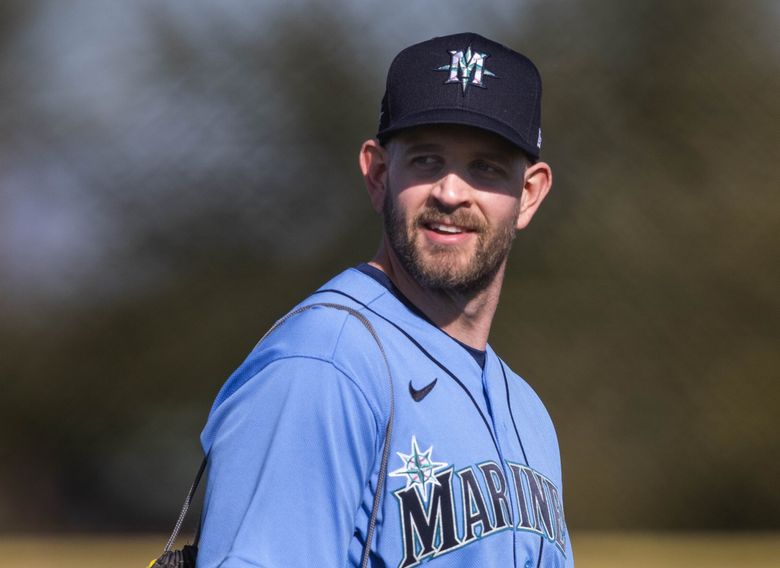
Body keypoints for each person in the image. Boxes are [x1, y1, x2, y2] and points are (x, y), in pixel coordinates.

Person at [196, 32, 573, 568]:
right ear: (377, 174)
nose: (450, 192)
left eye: (485, 167)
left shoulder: (527, 411)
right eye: (425, 160)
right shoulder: (323, 365)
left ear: (529, 193)